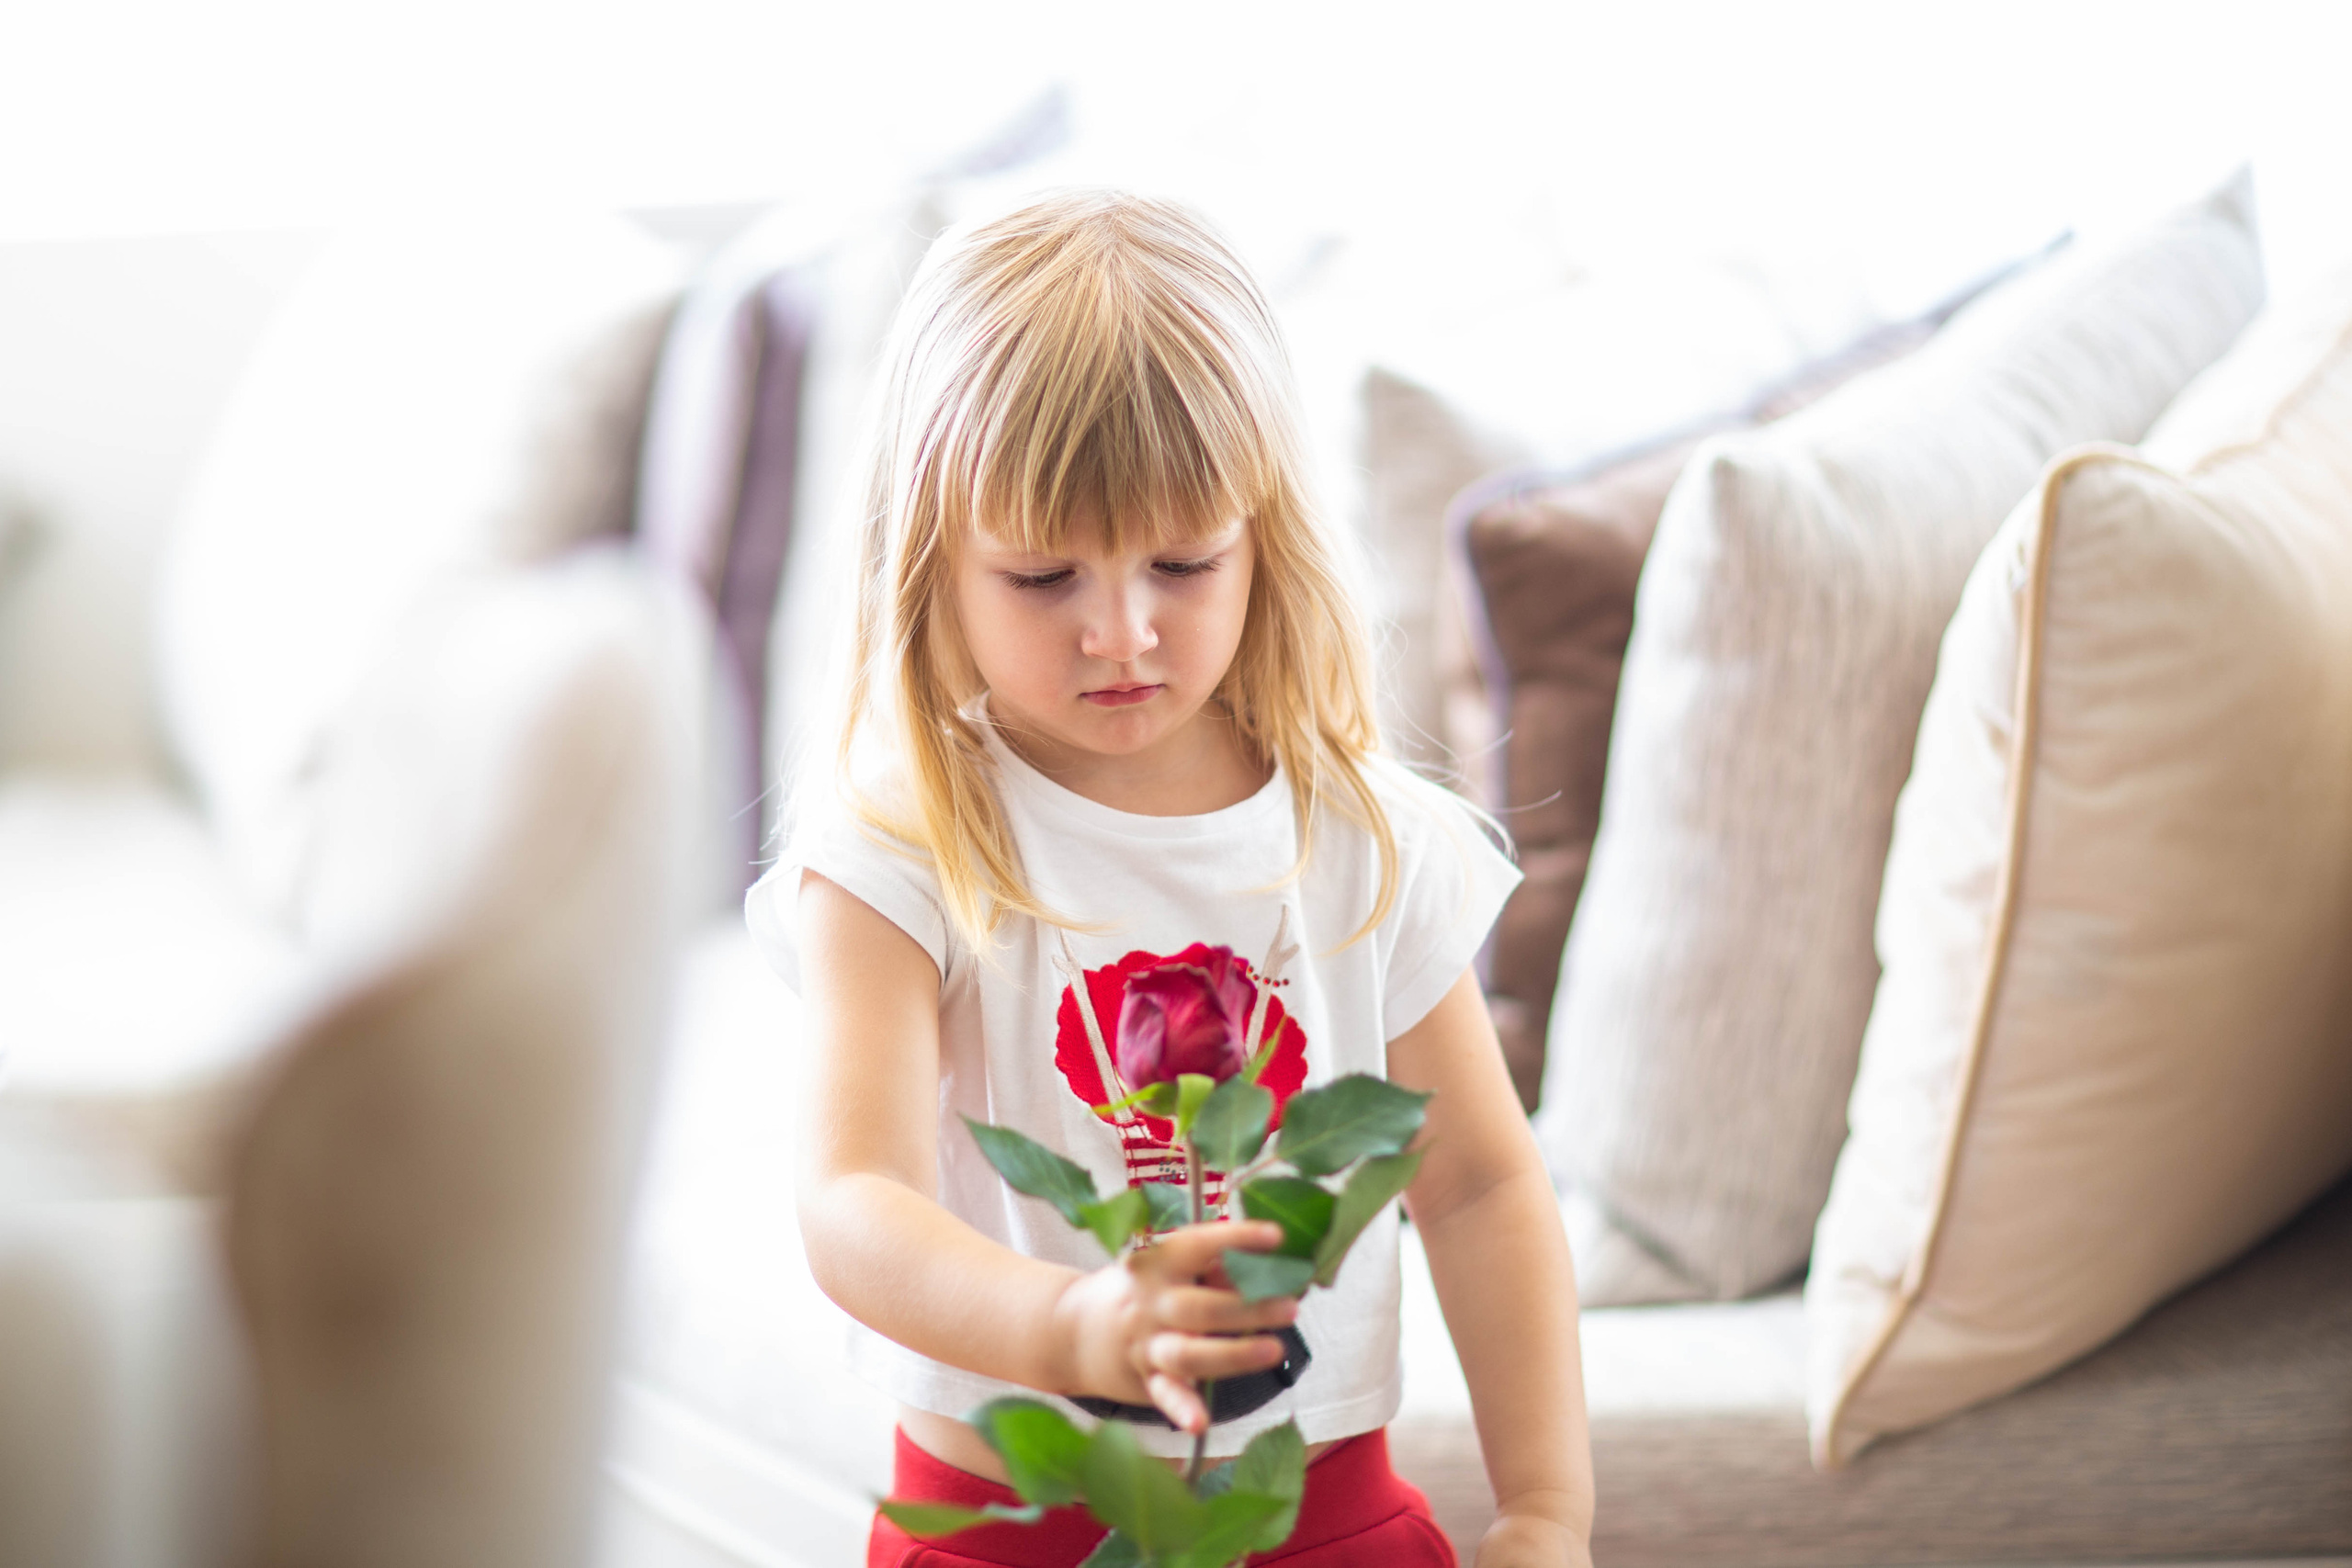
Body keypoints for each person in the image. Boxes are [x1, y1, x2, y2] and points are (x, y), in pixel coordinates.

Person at [745, 189, 1593, 1568]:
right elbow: (853, 1202)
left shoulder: (1366, 838)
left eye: (1184, 562)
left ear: (1265, 538)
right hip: (1005, 1531)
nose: (1123, 632)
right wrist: (1068, 1328)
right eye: (1043, 578)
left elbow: (1481, 1184)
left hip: (1324, 1520)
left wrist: (1549, 1508)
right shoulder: (901, 847)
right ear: (932, 563)